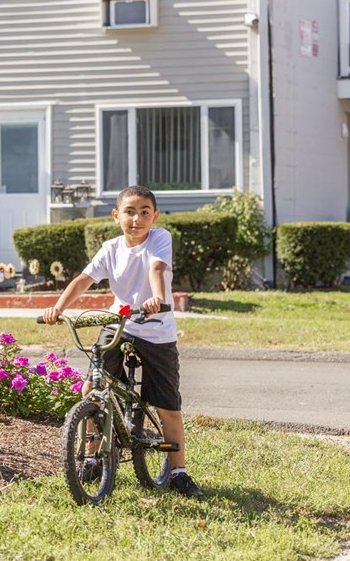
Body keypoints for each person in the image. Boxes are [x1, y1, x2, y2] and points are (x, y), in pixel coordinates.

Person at [42, 184, 204, 499]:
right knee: (91, 388)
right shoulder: (111, 248)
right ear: (117, 216)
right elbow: (83, 280)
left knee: (167, 405)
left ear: (154, 216)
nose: (137, 219)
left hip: (155, 328)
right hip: (121, 323)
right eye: (129, 212)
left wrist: (159, 297)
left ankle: (179, 472)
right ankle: (92, 459)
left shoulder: (160, 238)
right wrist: (57, 308)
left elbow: (156, 267)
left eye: (145, 212)